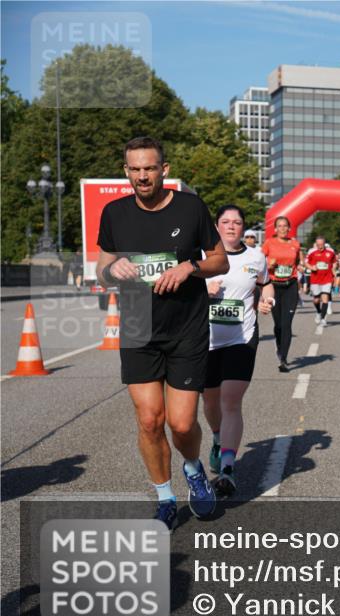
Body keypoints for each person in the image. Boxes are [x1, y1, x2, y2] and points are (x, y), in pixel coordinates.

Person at [96, 136, 228, 529]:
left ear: (163, 170)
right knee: (150, 421)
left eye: (149, 168)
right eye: (134, 169)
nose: (142, 176)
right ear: (126, 172)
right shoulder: (114, 213)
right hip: (138, 328)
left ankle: (193, 468)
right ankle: (165, 497)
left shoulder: (190, 208)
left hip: (186, 328)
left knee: (182, 424)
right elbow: (102, 267)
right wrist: (110, 271)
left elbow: (219, 260)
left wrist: (190, 267)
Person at [203, 205, 274, 497]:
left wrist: (267, 301)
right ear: (216, 226)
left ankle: (228, 469)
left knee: (231, 400)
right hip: (205, 340)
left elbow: (266, 286)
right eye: (225, 222)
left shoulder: (256, 257)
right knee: (210, 402)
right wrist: (202, 290)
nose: (231, 226)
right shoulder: (202, 255)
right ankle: (218, 438)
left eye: (237, 222)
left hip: (242, 337)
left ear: (244, 227)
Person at [261, 216, 301, 372]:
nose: (283, 228)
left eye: (285, 226)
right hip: (274, 287)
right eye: (279, 226)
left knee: (286, 323)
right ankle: (279, 348)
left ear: (289, 228)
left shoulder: (295, 244)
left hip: (290, 285)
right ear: (275, 229)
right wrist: (268, 264)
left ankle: (283, 358)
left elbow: (296, 262)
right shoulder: (269, 243)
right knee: (278, 324)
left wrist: (298, 272)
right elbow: (258, 261)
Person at [306, 235, 336, 325]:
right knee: (316, 300)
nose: (320, 246)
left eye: (321, 244)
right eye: (318, 244)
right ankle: (318, 312)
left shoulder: (330, 252)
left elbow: (334, 262)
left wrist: (334, 270)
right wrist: (311, 267)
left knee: (325, 298)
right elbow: (306, 262)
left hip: (327, 278)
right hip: (315, 279)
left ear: (324, 243)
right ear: (316, 244)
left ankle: (323, 319)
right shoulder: (312, 252)